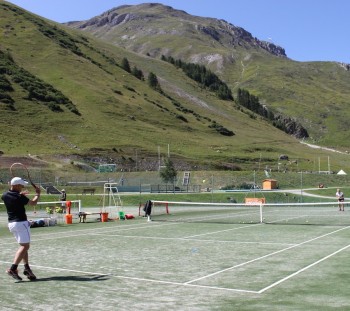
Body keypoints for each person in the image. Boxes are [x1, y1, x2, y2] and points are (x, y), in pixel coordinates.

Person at [1, 177, 41, 281]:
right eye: (21, 185)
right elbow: (33, 203)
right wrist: (37, 194)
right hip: (21, 223)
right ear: (16, 185)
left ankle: (27, 268)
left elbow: (13, 198)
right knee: (25, 246)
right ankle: (13, 269)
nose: (22, 187)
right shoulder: (19, 197)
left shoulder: (4, 195)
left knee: (23, 246)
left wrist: (20, 195)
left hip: (12, 224)